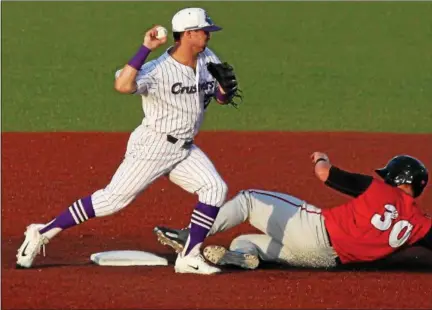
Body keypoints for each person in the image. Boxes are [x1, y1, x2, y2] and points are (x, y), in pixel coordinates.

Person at [16, 7, 242, 275]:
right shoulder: (158, 70)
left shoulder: (207, 58)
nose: (209, 35)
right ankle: (41, 232)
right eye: (205, 31)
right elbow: (122, 86)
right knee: (112, 201)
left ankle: (189, 256)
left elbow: (219, 97)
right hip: (154, 146)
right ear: (189, 34)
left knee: (214, 188)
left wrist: (225, 90)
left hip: (184, 148)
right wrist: (146, 47)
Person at [154, 152, 432, 270]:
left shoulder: (377, 189)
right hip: (325, 261)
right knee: (245, 242)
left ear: (399, 179)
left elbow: (324, 174)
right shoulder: (420, 225)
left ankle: (192, 236)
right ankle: (240, 258)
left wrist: (322, 157)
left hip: (314, 232)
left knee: (249, 199)